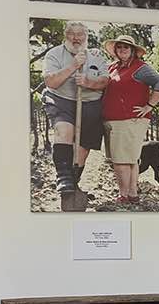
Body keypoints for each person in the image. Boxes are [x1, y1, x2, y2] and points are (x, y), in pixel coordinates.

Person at [37, 22, 109, 202]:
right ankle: (63, 178)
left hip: (90, 103)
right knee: (64, 130)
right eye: (72, 34)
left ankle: (72, 184)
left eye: (80, 35)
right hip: (61, 100)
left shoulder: (96, 55)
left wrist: (87, 82)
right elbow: (50, 82)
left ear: (86, 37)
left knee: (82, 149)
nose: (76, 38)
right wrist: (73, 66)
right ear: (65, 35)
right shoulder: (54, 54)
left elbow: (105, 81)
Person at [100, 33, 159, 206]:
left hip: (129, 120)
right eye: (119, 47)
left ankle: (124, 195)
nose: (122, 50)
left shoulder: (140, 68)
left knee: (121, 159)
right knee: (130, 159)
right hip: (114, 119)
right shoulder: (113, 68)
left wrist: (149, 106)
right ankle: (132, 194)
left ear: (133, 51)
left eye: (126, 47)